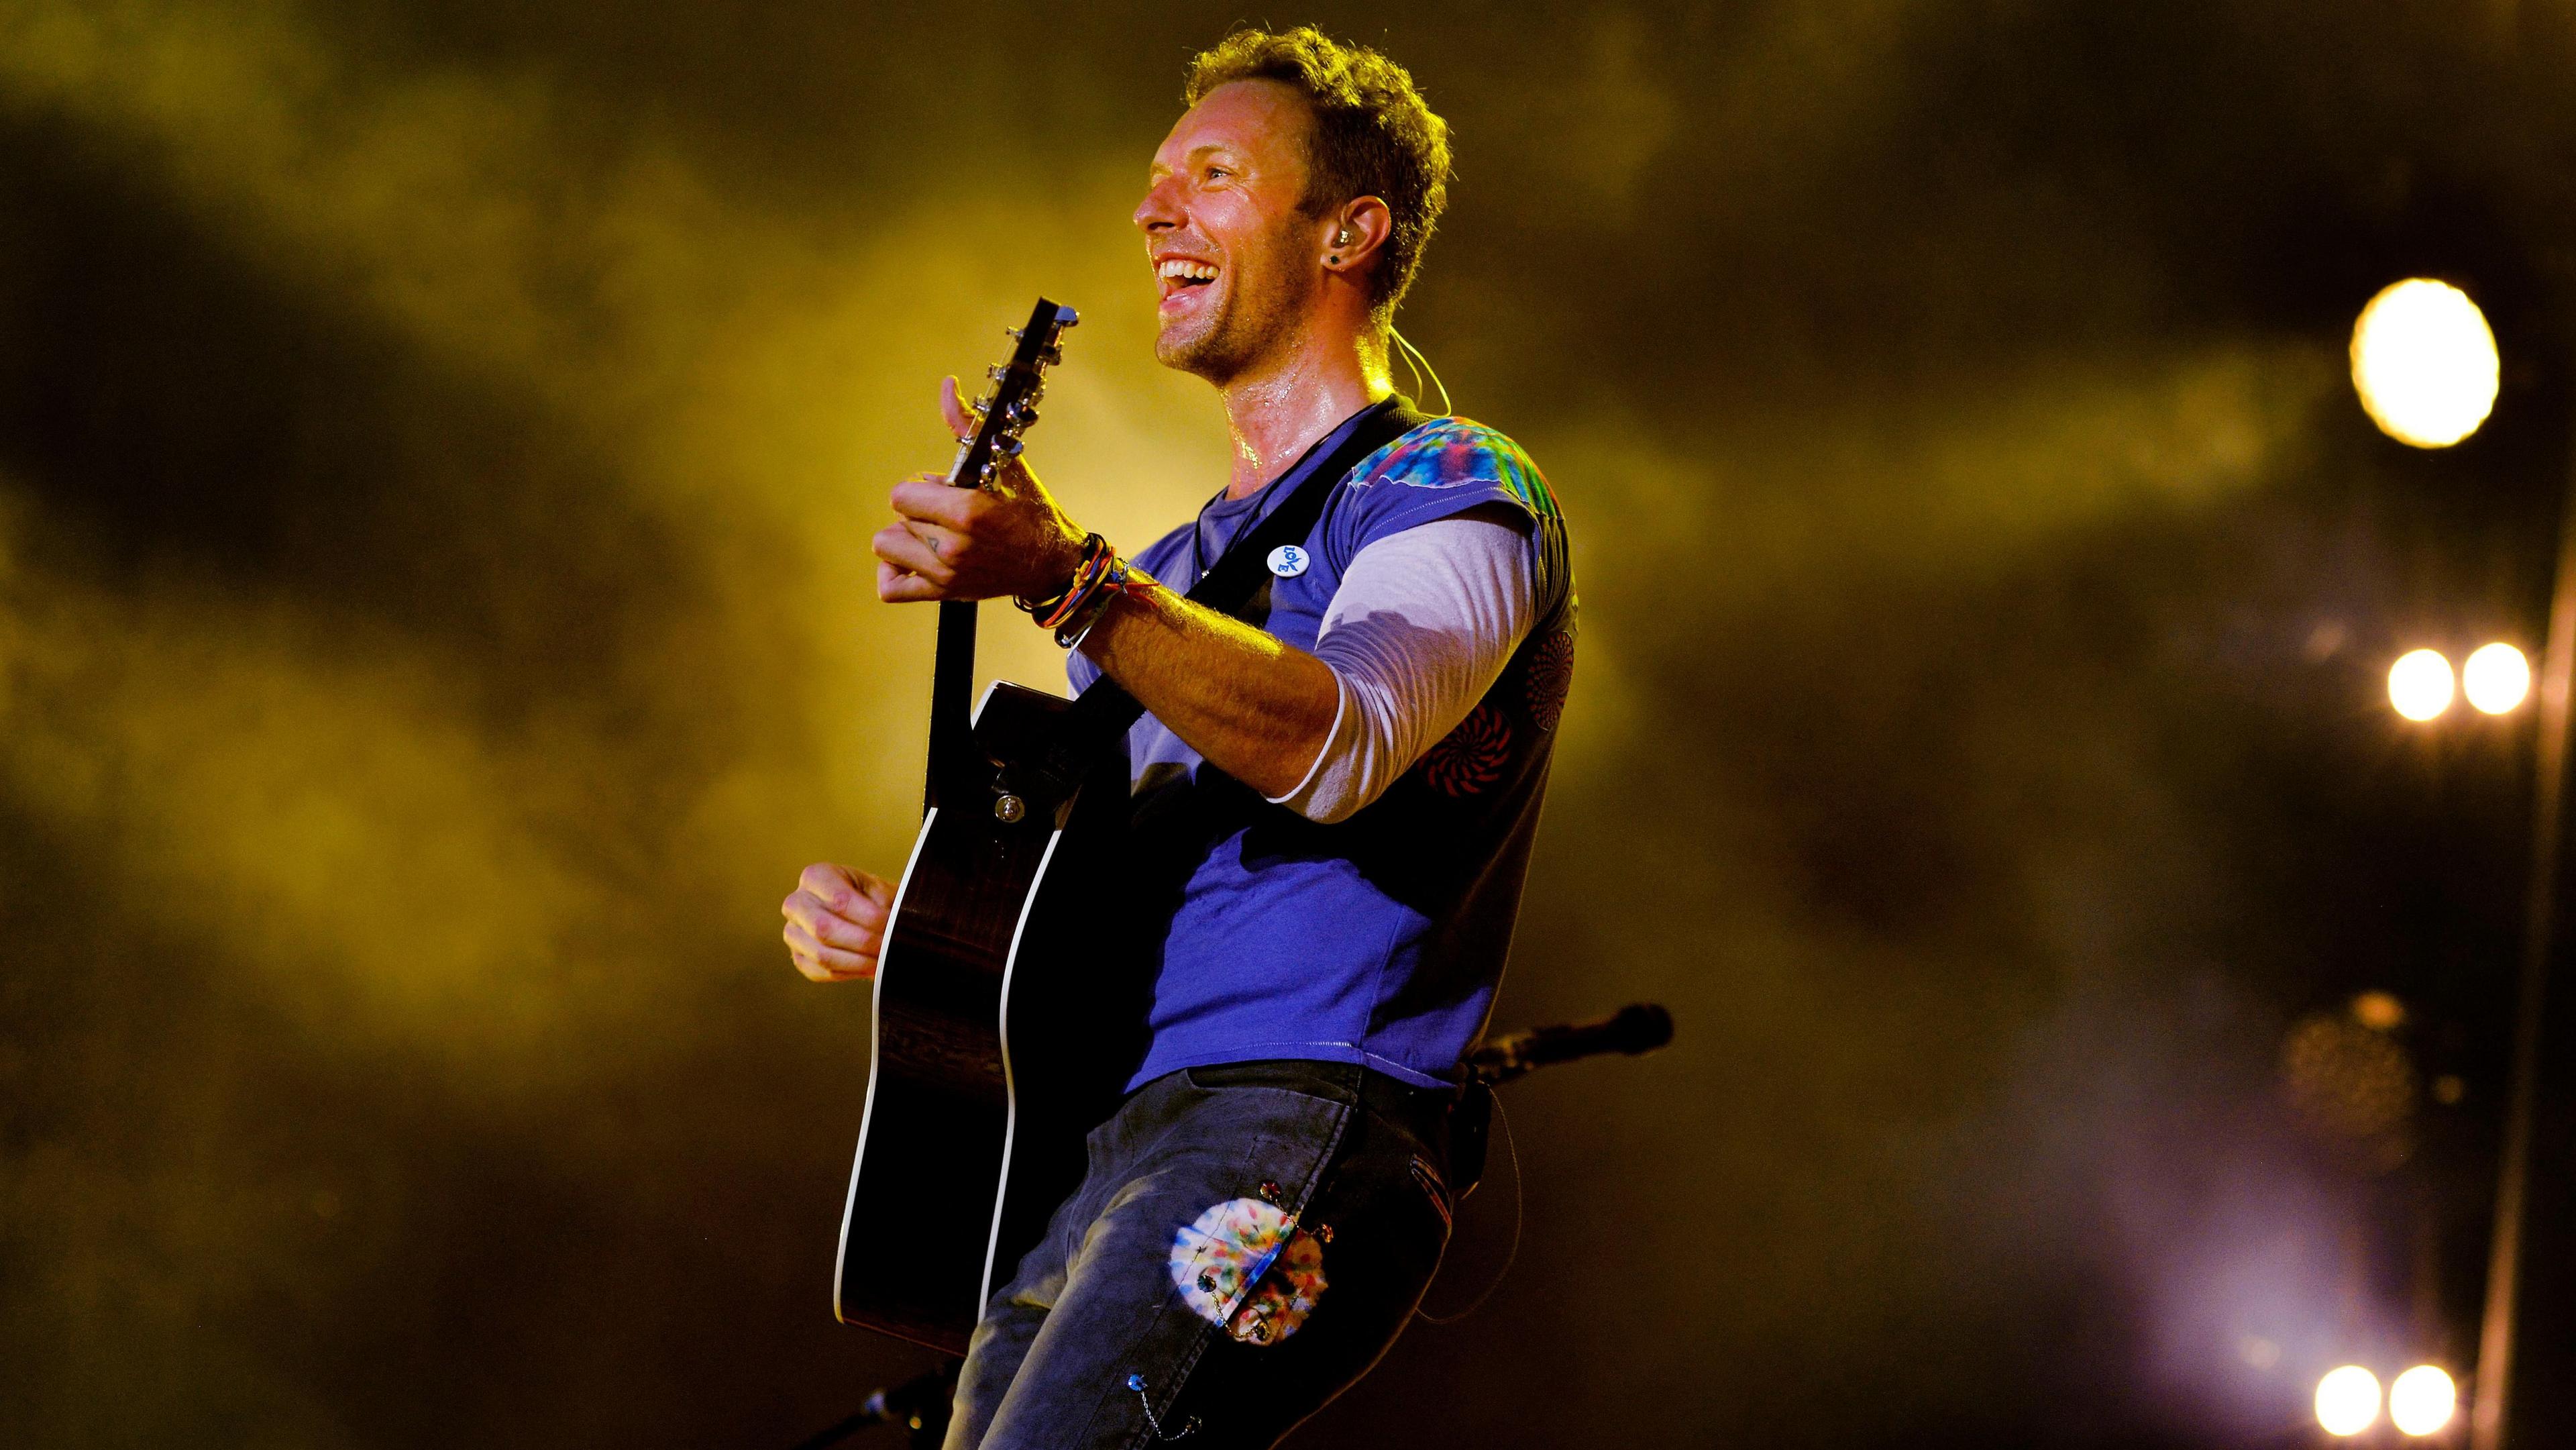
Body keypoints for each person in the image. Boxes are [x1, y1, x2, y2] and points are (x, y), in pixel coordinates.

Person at [780, 26, 1574, 1449]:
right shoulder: (1171, 571)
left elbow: (1345, 739)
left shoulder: (1449, 480)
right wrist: (929, 929)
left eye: (1213, 175)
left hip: (1294, 1111)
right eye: (1157, 179)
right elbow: (1098, 894)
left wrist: (1066, 579)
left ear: (1349, 230)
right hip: (1101, 1150)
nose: (1155, 210)